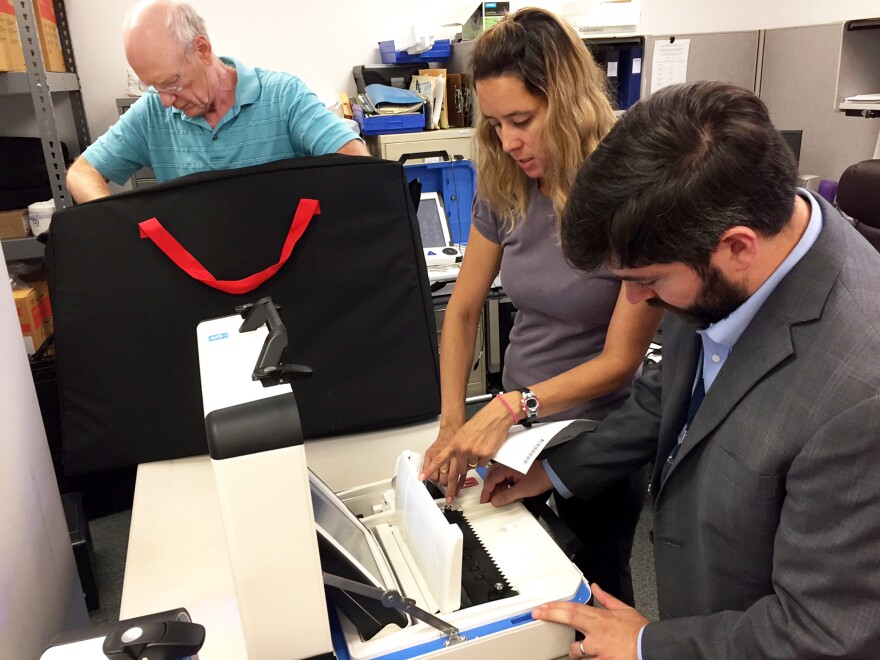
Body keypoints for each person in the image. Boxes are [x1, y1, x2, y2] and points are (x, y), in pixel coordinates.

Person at [480, 81, 880, 658]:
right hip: (706, 595)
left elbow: (822, 633)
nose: (638, 302)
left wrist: (649, 645)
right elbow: (665, 395)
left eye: (648, 280)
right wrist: (553, 471)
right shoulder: (722, 252)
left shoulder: (859, 396)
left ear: (738, 247)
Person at [418, 8, 663, 606]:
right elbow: (464, 308)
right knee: (515, 571)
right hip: (519, 426)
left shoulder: (627, 194)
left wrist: (509, 406)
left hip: (596, 432)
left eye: (522, 120)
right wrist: (454, 419)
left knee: (595, 589)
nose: (508, 141)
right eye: (496, 123)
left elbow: (620, 360)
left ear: (570, 101)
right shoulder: (505, 180)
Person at [66, 0, 369, 203]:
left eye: (172, 82)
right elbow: (81, 173)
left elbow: (357, 163)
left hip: (281, 273)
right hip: (196, 277)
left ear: (202, 50)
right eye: (154, 87)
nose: (167, 100)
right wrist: (117, 223)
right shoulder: (152, 111)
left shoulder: (283, 96)